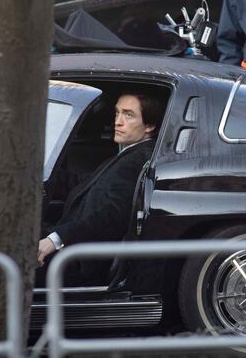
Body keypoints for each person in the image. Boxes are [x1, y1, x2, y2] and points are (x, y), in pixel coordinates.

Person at [37, 92, 163, 285]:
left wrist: (55, 240)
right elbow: (81, 183)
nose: (118, 122)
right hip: (73, 248)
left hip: (78, 260)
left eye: (128, 115)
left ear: (149, 126)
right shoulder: (127, 154)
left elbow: (108, 214)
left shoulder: (137, 160)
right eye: (117, 113)